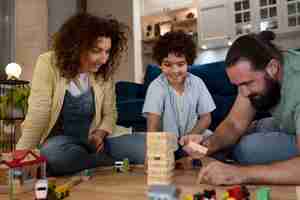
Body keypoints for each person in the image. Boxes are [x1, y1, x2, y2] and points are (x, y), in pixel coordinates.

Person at [16, 13, 145, 175]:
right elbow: (39, 112)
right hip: (62, 143)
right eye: (97, 51)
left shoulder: (103, 73)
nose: (104, 59)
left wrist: (99, 134)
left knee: (145, 147)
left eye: (107, 51)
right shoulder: (48, 63)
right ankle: (107, 163)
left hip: (96, 142)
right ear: (77, 46)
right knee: (53, 156)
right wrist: (22, 151)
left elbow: (110, 114)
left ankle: (92, 163)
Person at [181, 31, 300, 185]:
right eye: (238, 86)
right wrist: (206, 145)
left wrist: (240, 174)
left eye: (248, 83)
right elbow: (234, 124)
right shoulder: (267, 68)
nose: (244, 93)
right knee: (252, 128)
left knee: (247, 149)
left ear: (273, 67)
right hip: (289, 122)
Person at [142, 31, 216, 160]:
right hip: (167, 143)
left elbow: (206, 117)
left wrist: (191, 136)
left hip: (193, 138)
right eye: (167, 65)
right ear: (160, 64)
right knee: (165, 155)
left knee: (211, 144)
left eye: (180, 64)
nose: (175, 71)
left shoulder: (197, 83)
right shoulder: (156, 87)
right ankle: (182, 158)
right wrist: (153, 153)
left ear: (188, 63)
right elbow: (152, 125)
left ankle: (192, 157)